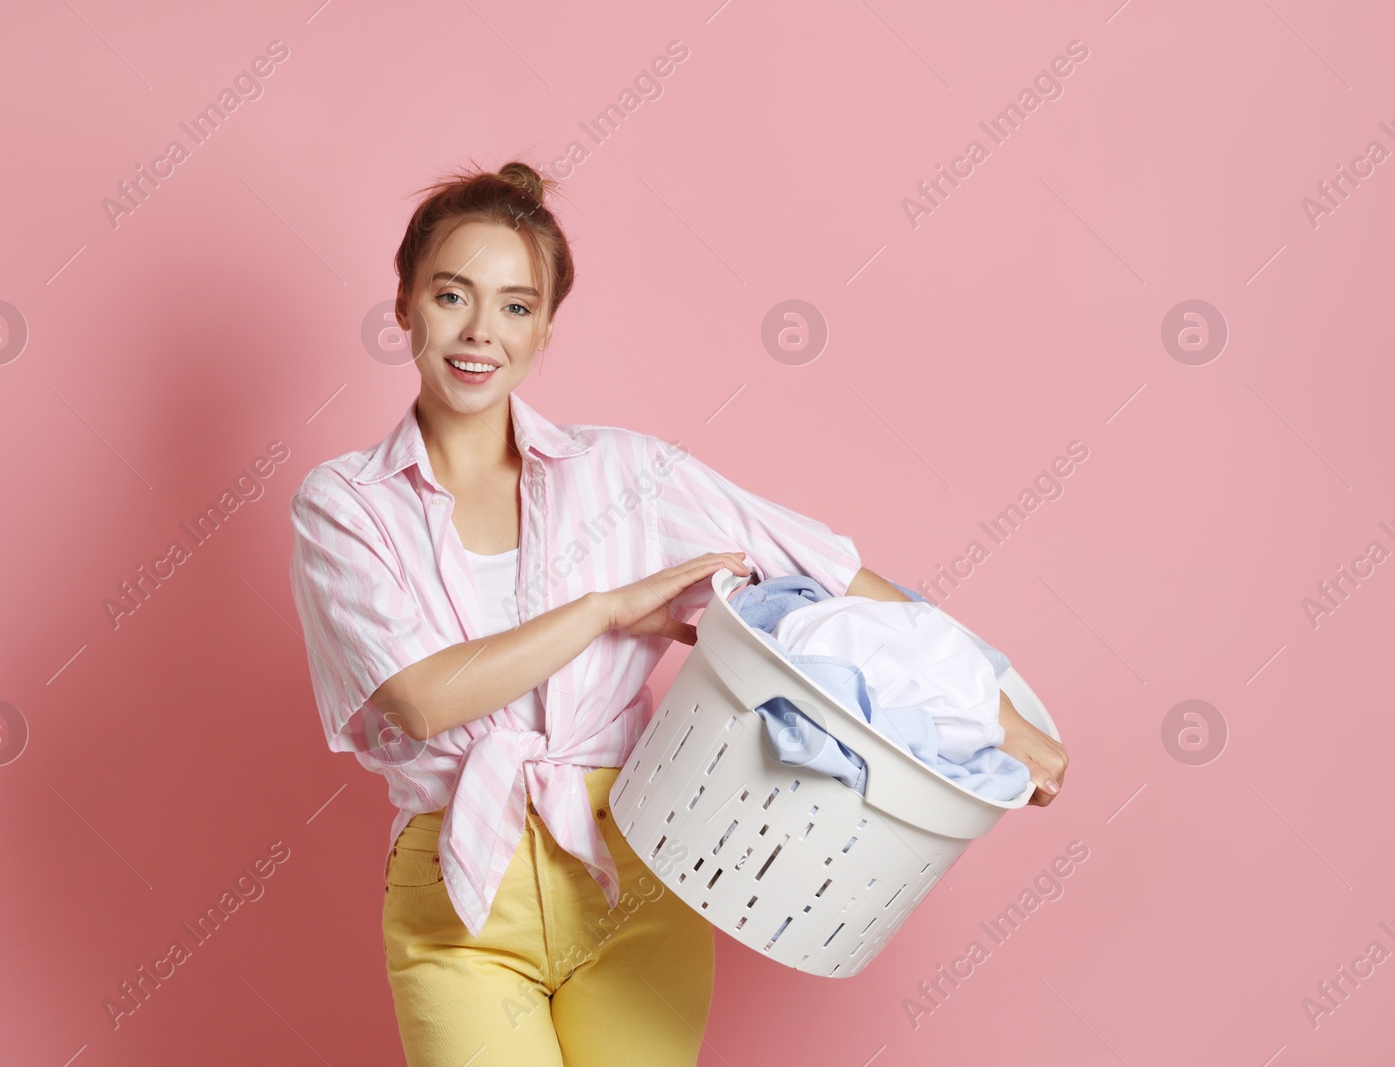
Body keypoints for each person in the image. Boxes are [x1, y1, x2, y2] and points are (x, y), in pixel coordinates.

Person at [288, 160, 1069, 1066]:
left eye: (514, 306)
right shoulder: (344, 503)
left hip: (633, 869)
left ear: (544, 329)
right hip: (458, 894)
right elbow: (420, 699)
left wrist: (999, 714)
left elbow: (826, 569)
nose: (479, 332)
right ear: (404, 304)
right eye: (451, 295)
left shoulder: (622, 474)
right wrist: (607, 608)